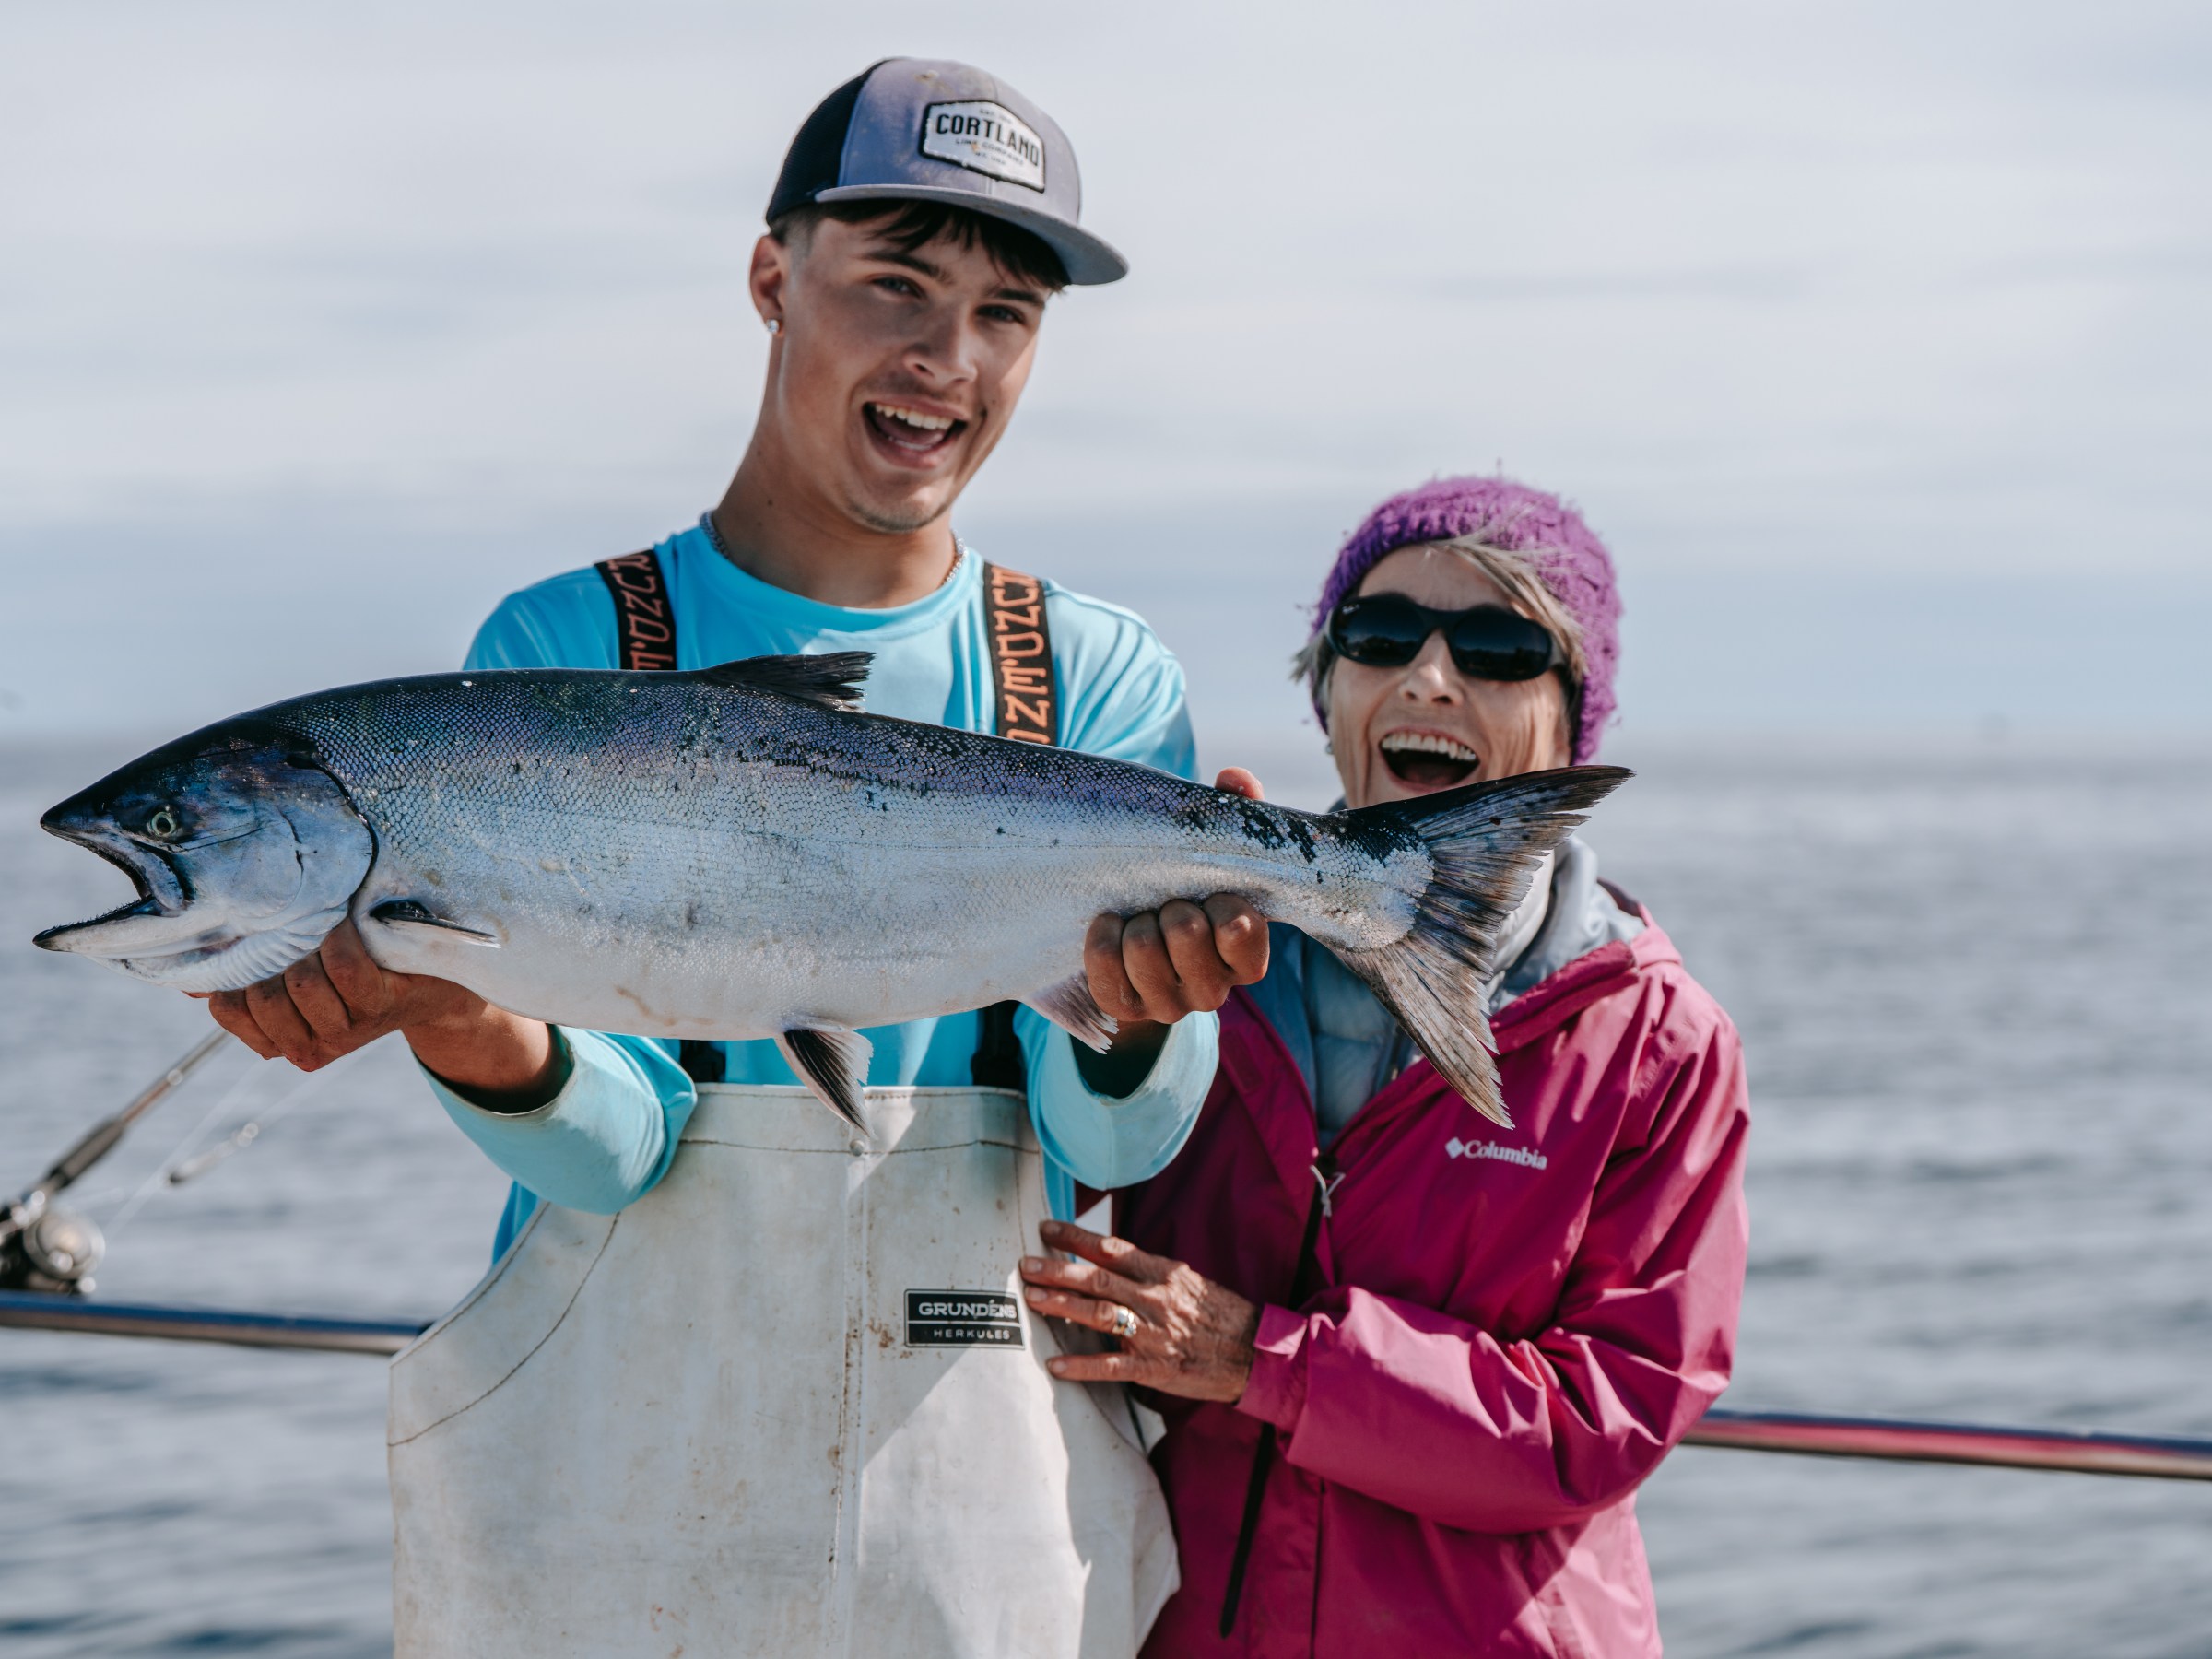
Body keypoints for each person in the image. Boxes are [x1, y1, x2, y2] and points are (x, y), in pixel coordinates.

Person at [197, 60, 1265, 1655]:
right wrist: (460, 1022)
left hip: (971, 1512)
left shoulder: (1097, 680)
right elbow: (615, 1161)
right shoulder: (558, 656)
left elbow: (1098, 1134)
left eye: (1004, 314)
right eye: (895, 284)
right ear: (773, 277)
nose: (944, 359)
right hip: (608, 1493)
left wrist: (1160, 1009)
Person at [1020, 477, 1751, 1657]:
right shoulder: (1198, 963)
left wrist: (1265, 1357)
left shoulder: (1658, 1042)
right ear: (1327, 692)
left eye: (1501, 648)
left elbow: (1606, 1416)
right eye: (1378, 636)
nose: (1428, 677)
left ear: (1575, 723)